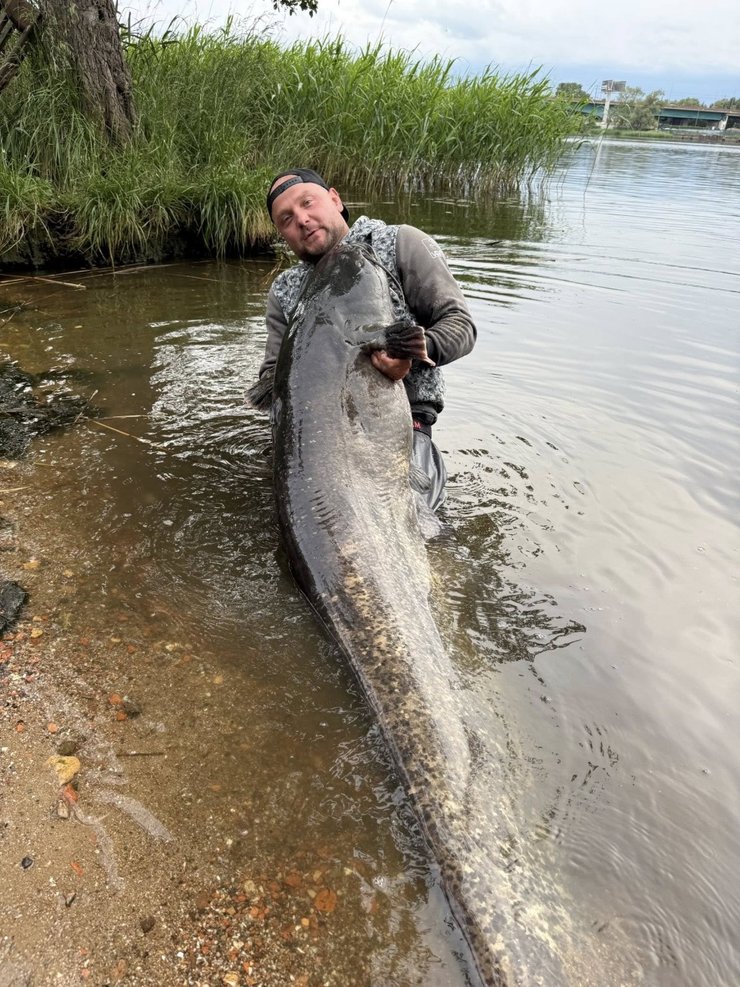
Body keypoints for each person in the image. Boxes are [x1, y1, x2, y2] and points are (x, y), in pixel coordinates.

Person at [259, 168, 476, 511]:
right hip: (318, 443)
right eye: (286, 218)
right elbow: (270, 381)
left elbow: (460, 326)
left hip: (404, 428)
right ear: (281, 233)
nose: (301, 219)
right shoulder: (285, 291)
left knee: (426, 534)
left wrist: (414, 352)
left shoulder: (400, 243)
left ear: (334, 199)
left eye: (307, 202)